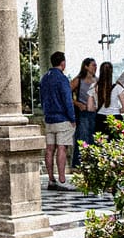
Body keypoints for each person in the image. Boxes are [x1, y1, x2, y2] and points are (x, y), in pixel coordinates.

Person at [38, 51, 75, 189]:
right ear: (63, 63)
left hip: (49, 118)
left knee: (49, 149)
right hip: (62, 118)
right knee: (62, 148)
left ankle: (51, 180)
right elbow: (67, 99)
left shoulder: (44, 78)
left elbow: (41, 99)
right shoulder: (62, 79)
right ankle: (62, 180)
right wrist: (72, 118)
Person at [71, 57, 99, 166]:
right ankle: (78, 164)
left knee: (93, 138)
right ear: (86, 66)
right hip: (82, 113)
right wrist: (77, 104)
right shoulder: (78, 80)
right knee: (82, 138)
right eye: (93, 65)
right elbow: (66, 94)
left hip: (95, 113)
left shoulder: (97, 80)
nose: (95, 68)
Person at [95, 60, 124, 133]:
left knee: (100, 142)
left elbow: (91, 106)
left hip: (100, 117)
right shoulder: (117, 87)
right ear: (111, 72)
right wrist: (117, 111)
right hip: (115, 118)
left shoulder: (95, 87)